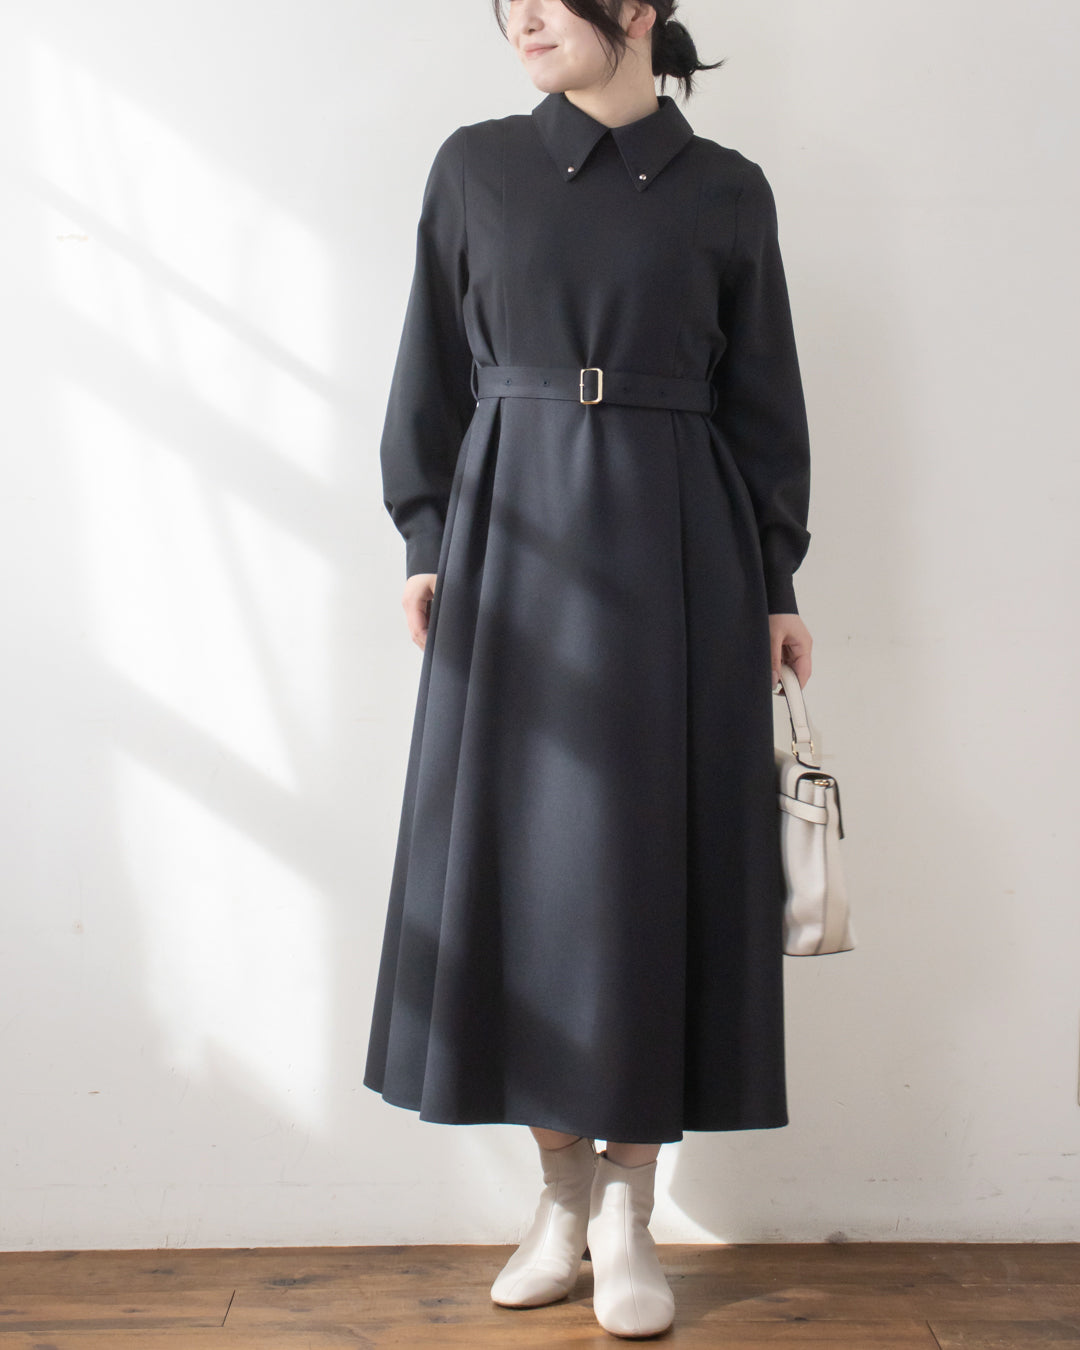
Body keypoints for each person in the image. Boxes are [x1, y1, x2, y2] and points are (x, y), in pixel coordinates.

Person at [364, 0, 814, 1337]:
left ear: (636, 9)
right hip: (511, 543)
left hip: (683, 557)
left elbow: (767, 402)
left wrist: (776, 580)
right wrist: (425, 538)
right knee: (527, 874)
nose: (521, 18)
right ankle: (558, 1197)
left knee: (648, 874)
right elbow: (429, 369)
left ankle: (629, 1208)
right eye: (506, 3)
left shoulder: (728, 190)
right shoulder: (476, 167)